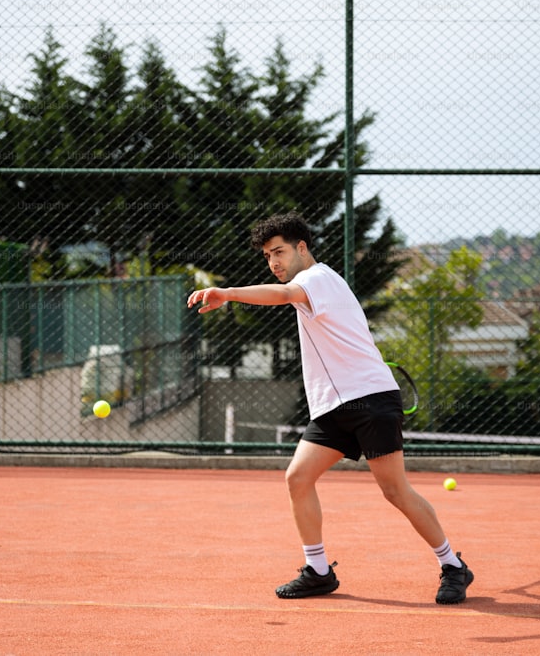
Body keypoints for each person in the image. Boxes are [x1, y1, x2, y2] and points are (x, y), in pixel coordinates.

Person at [186, 212, 473, 604]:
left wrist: (229, 292)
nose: (274, 263)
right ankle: (318, 571)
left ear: (302, 248)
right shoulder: (311, 284)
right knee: (298, 478)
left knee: (394, 490)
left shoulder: (316, 279)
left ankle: (453, 566)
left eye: (280, 252)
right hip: (334, 407)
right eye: (268, 256)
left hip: (370, 399)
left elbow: (284, 295)